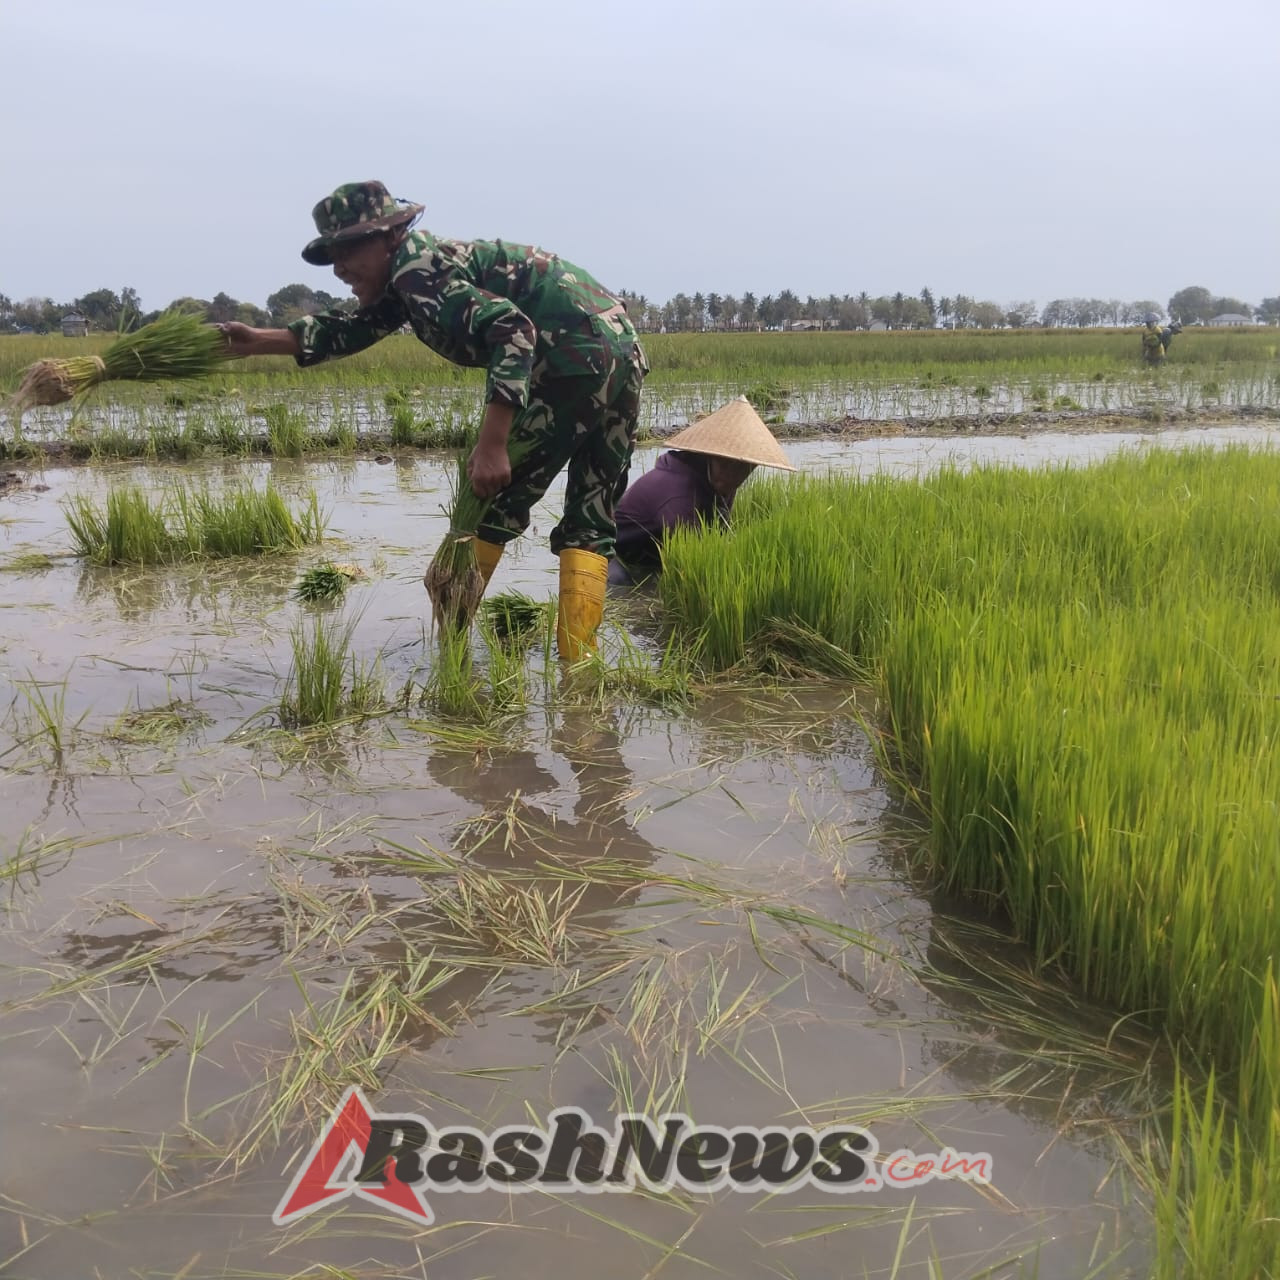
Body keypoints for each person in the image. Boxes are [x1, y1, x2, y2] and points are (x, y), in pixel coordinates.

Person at [219, 180, 648, 659]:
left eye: (347, 250)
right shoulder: (408, 278)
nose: (339, 268)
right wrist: (258, 340)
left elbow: (512, 330)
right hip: (620, 349)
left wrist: (492, 445)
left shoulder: (417, 271)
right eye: (331, 256)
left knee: (487, 502)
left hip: (573, 356)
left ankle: (452, 656)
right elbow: (350, 329)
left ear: (389, 237)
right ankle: (579, 668)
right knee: (592, 513)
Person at [608, 396, 795, 585]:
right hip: (613, 552)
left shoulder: (719, 481)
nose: (735, 475)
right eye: (727, 464)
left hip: (653, 554)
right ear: (711, 456)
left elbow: (717, 539)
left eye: (745, 468)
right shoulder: (679, 496)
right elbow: (691, 565)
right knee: (627, 585)